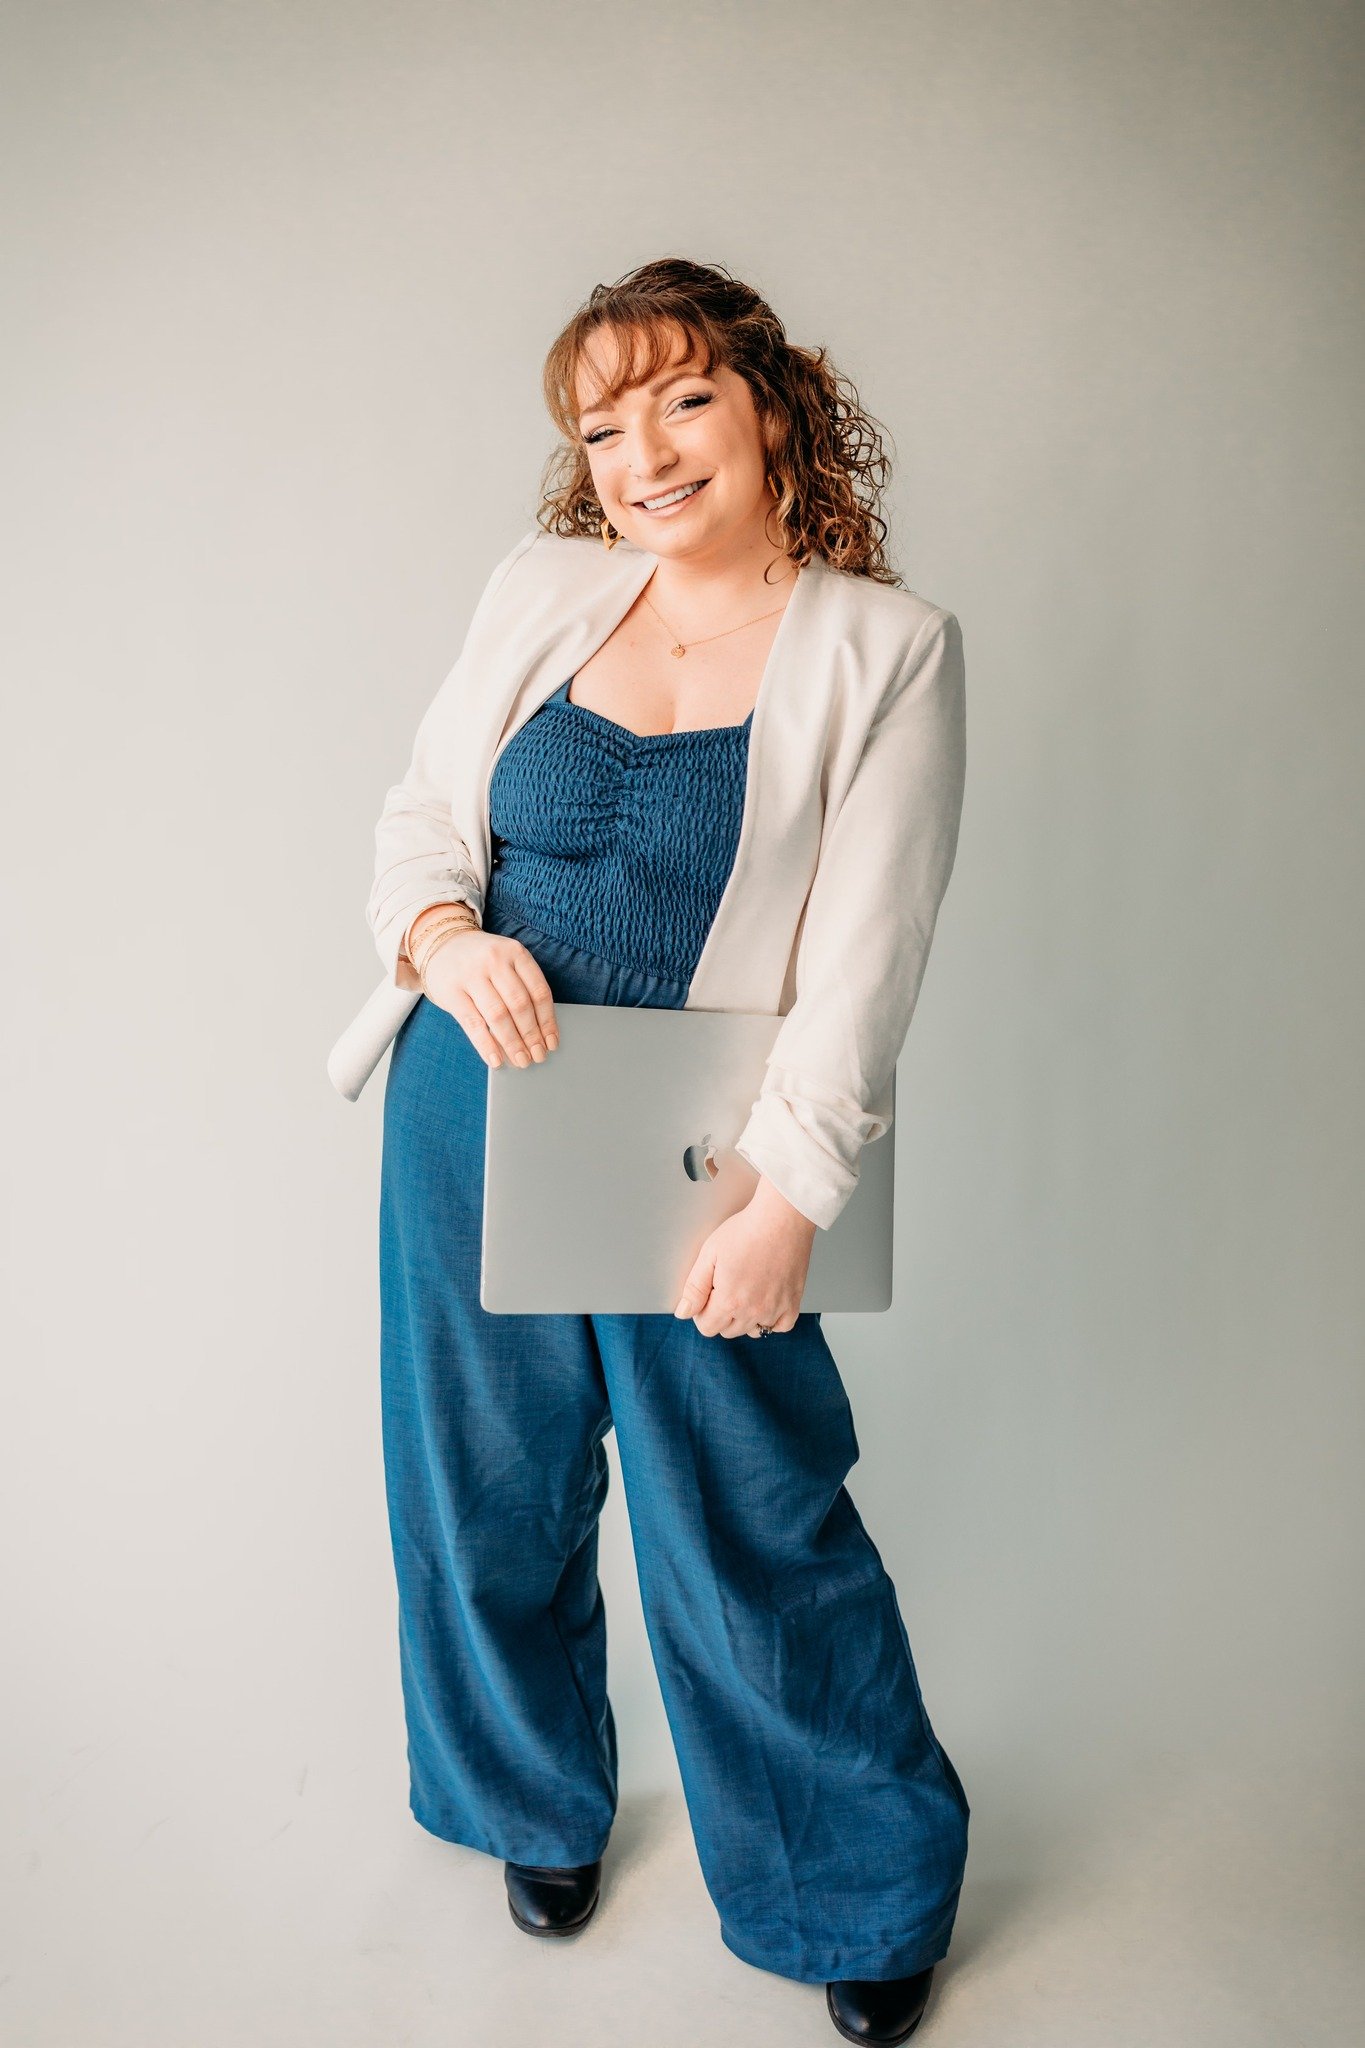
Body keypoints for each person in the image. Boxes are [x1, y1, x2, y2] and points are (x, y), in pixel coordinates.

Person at [352, 257, 969, 2047]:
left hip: (704, 1149)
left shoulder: (885, 647)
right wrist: (438, 939)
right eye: (601, 428)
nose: (643, 456)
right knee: (481, 1481)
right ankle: (524, 1807)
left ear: (771, 407)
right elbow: (422, 815)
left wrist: (790, 1197)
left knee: (750, 1515)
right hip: (469, 1102)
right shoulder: (538, 589)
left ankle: (854, 1889)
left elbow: (865, 960)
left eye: (682, 400)